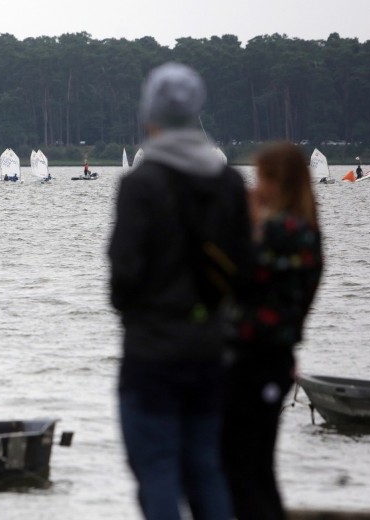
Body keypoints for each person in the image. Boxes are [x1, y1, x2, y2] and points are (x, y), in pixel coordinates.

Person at [108, 62, 251, 520]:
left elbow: (122, 280)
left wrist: (143, 317)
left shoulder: (140, 185)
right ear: (196, 112)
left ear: (150, 115)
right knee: (209, 469)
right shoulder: (230, 184)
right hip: (212, 350)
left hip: (152, 352)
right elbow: (246, 272)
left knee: (157, 471)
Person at [222, 142, 323, 520]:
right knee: (258, 465)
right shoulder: (307, 228)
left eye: (261, 177)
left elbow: (240, 277)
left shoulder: (283, 230)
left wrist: (248, 221)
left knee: (240, 465)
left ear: (276, 181)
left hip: (254, 358)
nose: (255, 185)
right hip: (275, 358)